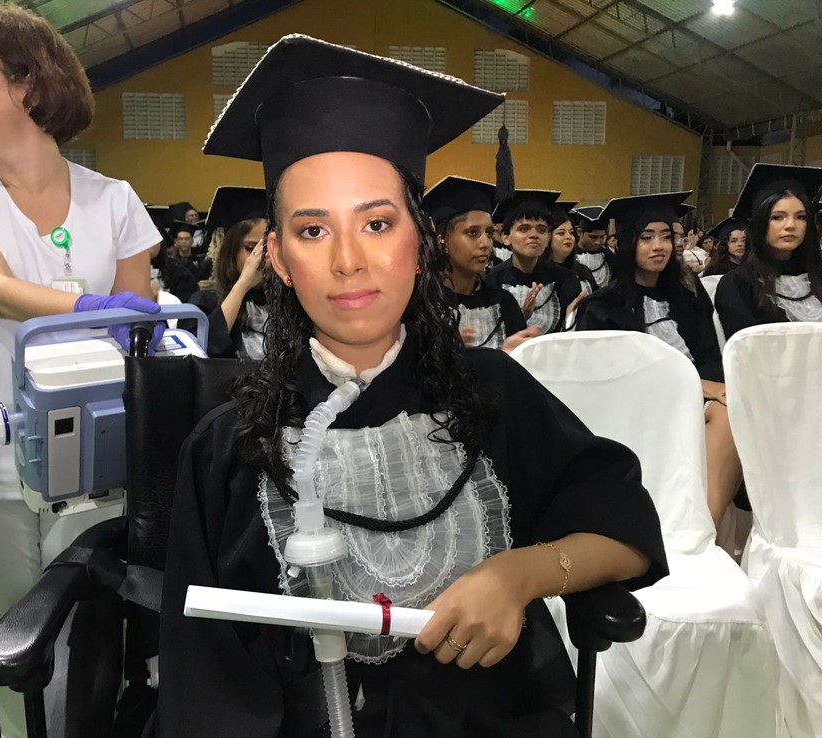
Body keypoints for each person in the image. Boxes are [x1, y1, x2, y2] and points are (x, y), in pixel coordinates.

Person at [154, 35, 666, 738]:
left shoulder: (490, 393)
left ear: (418, 241)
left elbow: (627, 529)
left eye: (376, 222)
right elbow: (202, 692)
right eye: (311, 229)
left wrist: (520, 575)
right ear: (276, 257)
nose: (347, 261)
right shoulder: (227, 449)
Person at [0, 2, 163, 734]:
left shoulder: (112, 199)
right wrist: (97, 301)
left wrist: (126, 308)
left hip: (89, 457)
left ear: (26, 81)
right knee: (1, 638)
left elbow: (138, 324)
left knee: (84, 632)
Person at [575, 192, 741, 529]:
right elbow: (614, 380)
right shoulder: (602, 308)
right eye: (647, 237)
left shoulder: (687, 299)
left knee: (734, 408)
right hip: (642, 406)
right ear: (626, 243)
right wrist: (695, 385)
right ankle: (695, 528)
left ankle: (703, 525)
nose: (659, 246)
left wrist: (705, 386)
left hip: (700, 399)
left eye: (667, 236)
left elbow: (709, 355)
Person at [422, 175, 532, 350]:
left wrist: (511, 356)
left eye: (489, 233)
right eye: (472, 233)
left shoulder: (503, 303)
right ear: (442, 241)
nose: (485, 244)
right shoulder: (422, 304)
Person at [715, 163, 822, 340]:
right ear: (760, 223)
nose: (790, 226)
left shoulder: (817, 274)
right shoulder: (739, 284)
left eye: (801, 217)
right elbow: (746, 353)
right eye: (777, 217)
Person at [185, 186, 270, 358]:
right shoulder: (204, 301)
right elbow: (203, 350)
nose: (259, 258)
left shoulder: (286, 300)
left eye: (268, 248)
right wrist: (242, 285)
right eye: (250, 248)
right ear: (231, 251)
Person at [489, 190, 585, 334]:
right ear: (506, 237)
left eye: (541, 230)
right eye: (524, 229)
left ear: (548, 238)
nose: (533, 235)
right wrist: (522, 316)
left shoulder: (566, 280)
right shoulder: (492, 281)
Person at [541, 200, 599, 295]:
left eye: (571, 233)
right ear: (548, 237)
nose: (568, 237)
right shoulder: (539, 273)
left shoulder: (582, 271)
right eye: (561, 233)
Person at [572, 205, 613, 288]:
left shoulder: (608, 256)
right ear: (579, 232)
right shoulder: (571, 258)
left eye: (602, 237)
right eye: (593, 237)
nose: (598, 242)